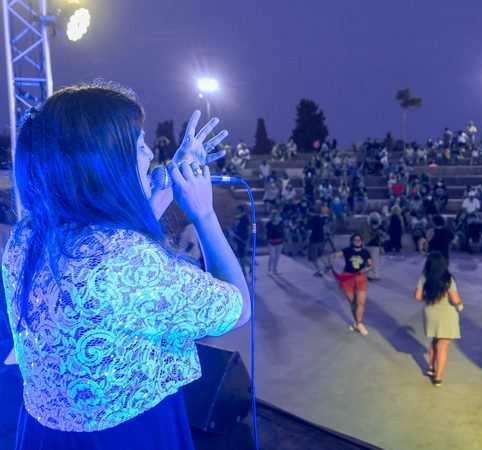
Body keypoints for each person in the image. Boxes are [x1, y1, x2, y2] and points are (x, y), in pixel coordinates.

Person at [6, 84, 250, 449]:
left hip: (44, 432)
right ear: (107, 166)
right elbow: (238, 308)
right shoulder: (127, 260)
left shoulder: (29, 233)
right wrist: (203, 213)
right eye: (138, 145)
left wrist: (155, 199)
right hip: (128, 435)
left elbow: (104, 275)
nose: (152, 154)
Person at [414, 252, 464, 387]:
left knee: (434, 341)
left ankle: (431, 367)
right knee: (443, 346)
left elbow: (418, 297)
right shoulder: (448, 279)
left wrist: (430, 298)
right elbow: (455, 299)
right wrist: (460, 306)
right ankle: (438, 377)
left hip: (430, 312)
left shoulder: (424, 276)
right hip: (446, 314)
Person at [332, 234, 374, 336]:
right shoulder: (347, 250)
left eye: (359, 239)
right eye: (355, 239)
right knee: (353, 303)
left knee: (361, 303)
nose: (357, 241)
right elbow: (334, 256)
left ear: (361, 241)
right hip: (347, 278)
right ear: (352, 241)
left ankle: (359, 323)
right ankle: (357, 323)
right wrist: (331, 265)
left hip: (360, 278)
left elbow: (371, 264)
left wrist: (366, 269)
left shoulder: (365, 252)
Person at [307, 205, 328, 277]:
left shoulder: (310, 220)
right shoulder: (321, 219)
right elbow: (325, 228)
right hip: (321, 239)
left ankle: (319, 271)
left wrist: (307, 240)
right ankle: (326, 266)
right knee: (320, 255)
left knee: (313, 258)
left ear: (311, 212)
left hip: (314, 240)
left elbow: (309, 231)